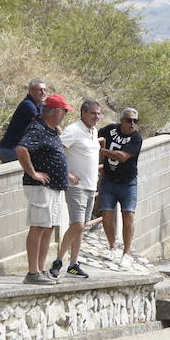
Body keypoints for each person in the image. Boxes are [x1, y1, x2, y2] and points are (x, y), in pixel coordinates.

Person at [16, 94, 76, 284]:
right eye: (64, 112)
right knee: (39, 226)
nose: (65, 115)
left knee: (48, 227)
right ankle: (33, 272)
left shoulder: (50, 129)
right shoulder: (37, 128)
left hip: (53, 187)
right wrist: (33, 173)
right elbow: (21, 149)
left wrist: (65, 175)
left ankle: (40, 270)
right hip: (41, 187)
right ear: (57, 112)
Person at [52, 98, 102, 279]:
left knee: (80, 227)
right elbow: (56, 150)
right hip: (76, 186)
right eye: (92, 113)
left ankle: (73, 264)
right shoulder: (73, 130)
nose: (96, 117)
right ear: (83, 113)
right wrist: (66, 174)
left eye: (98, 113)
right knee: (77, 224)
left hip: (90, 186)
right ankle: (58, 261)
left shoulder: (93, 131)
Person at [99, 108, 144, 259]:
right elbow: (95, 136)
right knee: (106, 214)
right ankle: (112, 246)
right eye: (129, 120)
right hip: (108, 181)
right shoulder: (110, 130)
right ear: (121, 120)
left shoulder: (136, 138)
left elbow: (122, 156)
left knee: (128, 215)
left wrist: (103, 152)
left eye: (135, 121)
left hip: (128, 183)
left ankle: (127, 251)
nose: (132, 124)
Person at [0, 79, 47, 163]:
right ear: (30, 91)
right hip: (10, 149)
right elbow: (43, 124)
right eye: (40, 90)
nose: (43, 92)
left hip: (17, 149)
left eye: (45, 90)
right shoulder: (28, 105)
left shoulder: (39, 105)